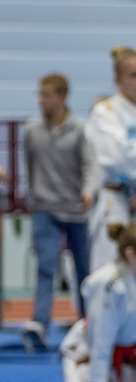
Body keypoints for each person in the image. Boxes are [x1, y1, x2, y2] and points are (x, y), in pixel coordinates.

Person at [23, 73, 100, 351]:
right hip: (45, 207)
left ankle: (89, 325)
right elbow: (29, 167)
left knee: (83, 272)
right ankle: (39, 324)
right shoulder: (32, 131)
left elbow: (91, 165)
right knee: (46, 267)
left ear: (62, 96)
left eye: (47, 95)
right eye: (39, 95)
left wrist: (89, 191)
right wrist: (32, 198)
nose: (42, 100)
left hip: (76, 209)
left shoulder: (80, 130)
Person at [61, 222, 136, 382]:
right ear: (130, 254)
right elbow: (101, 336)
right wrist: (95, 380)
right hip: (89, 352)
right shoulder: (107, 284)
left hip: (128, 355)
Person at [86, 46, 136, 274]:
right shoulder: (104, 112)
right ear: (117, 79)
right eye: (133, 75)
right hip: (117, 202)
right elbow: (117, 159)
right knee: (111, 275)